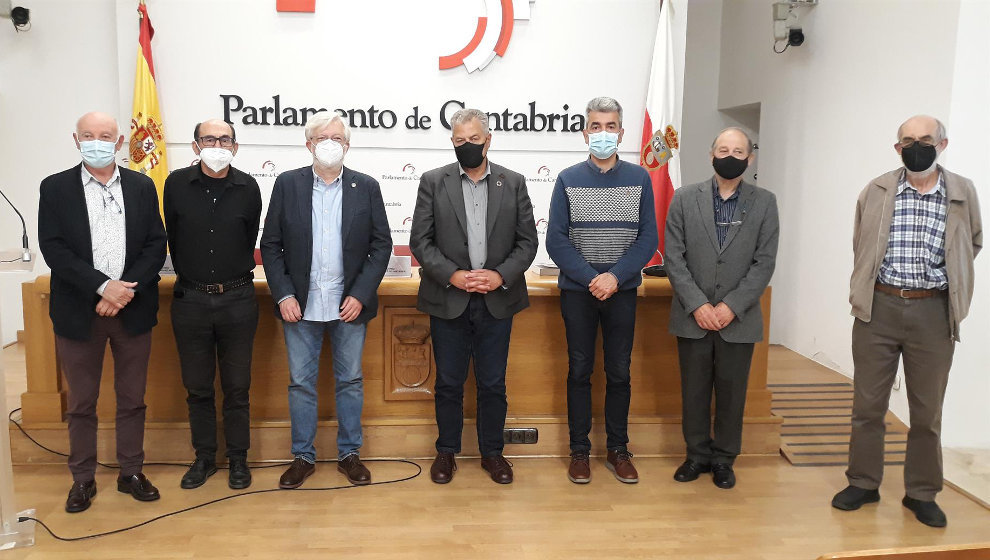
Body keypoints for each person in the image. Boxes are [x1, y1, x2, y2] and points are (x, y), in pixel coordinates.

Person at [832, 115, 982, 528]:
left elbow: (973, 242)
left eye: (926, 139)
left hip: (933, 313)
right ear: (897, 148)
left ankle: (921, 493)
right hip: (878, 309)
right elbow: (861, 241)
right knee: (867, 406)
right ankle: (863, 482)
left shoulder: (963, 192)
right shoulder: (877, 190)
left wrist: (952, 287)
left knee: (927, 411)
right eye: (909, 141)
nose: (918, 146)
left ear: (943, 143)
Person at [38, 111, 167, 512]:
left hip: (131, 308)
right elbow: (54, 248)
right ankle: (82, 479)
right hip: (78, 311)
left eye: (106, 135)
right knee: (82, 401)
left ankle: (131, 472)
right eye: (89, 135)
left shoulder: (142, 186)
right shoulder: (56, 187)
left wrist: (122, 291)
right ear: (76, 140)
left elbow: (155, 245)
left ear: (120, 141)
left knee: (132, 398)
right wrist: (101, 286)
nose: (98, 141)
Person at [260, 112, 392, 489]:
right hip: (299, 305)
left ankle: (350, 454)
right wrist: (283, 293)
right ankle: (302, 456)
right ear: (309, 144)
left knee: (350, 380)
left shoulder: (366, 187)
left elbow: (380, 245)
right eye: (322, 137)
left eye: (337, 137)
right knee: (301, 383)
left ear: (347, 145)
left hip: (348, 304)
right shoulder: (288, 184)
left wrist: (360, 294)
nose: (330, 143)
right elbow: (271, 245)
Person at [410, 108, 538, 485]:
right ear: (452, 141)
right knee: (448, 382)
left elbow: (527, 241)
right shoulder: (433, 181)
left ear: (488, 140)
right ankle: (446, 452)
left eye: (474, 139)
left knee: (493, 383)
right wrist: (455, 275)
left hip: (497, 300)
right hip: (448, 297)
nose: (467, 145)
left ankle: (493, 454)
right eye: (460, 140)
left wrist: (499, 276)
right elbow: (421, 240)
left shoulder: (512, 182)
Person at [545, 96, 658, 484]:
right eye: (596, 126)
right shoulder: (568, 179)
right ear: (584, 132)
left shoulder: (640, 178)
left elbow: (648, 239)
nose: (603, 134)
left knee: (619, 372)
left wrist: (615, 277)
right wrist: (593, 277)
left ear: (622, 133)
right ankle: (579, 451)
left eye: (611, 127)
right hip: (578, 292)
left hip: (622, 292)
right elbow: (556, 241)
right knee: (579, 370)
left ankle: (618, 449)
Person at [664, 127, 779, 490]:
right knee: (694, 389)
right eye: (724, 149)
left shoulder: (765, 202)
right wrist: (698, 304)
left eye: (739, 150)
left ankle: (725, 458)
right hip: (692, 316)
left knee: (732, 391)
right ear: (711, 153)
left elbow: (764, 262)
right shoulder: (684, 198)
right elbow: (674, 257)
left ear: (750, 158)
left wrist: (730, 306)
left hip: (738, 318)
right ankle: (696, 455)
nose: (731, 156)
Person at [163, 119, 262, 490]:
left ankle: (238, 459)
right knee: (198, 387)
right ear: (195, 145)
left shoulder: (248, 187)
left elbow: (248, 234)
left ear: (235, 147)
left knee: (238, 387)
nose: (217, 144)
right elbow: (171, 232)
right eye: (209, 138)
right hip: (190, 299)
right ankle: (204, 457)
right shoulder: (175, 185)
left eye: (224, 139)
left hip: (237, 298)